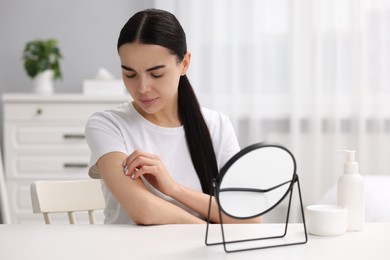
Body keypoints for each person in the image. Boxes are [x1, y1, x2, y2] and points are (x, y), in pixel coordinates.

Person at [85, 8, 260, 225]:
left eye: (156, 74)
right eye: (130, 74)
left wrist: (173, 188)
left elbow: (249, 218)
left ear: (184, 64)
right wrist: (211, 233)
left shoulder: (217, 125)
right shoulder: (107, 125)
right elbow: (144, 210)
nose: (142, 88)